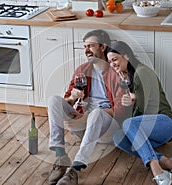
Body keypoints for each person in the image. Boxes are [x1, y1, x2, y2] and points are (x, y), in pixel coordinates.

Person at [106, 41, 172, 185]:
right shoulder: (126, 77)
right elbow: (134, 116)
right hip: (146, 130)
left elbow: (146, 109)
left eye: (114, 59)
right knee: (118, 137)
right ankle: (168, 163)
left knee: (127, 125)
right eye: (109, 61)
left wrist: (134, 98)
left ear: (126, 56)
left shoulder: (141, 72)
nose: (112, 64)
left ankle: (155, 168)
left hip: (164, 123)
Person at [47, 30, 127, 185]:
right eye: (85, 46)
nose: (86, 50)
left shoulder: (115, 70)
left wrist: (87, 117)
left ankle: (74, 170)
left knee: (96, 113)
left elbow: (120, 109)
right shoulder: (82, 70)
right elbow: (68, 100)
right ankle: (60, 156)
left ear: (103, 47)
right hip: (83, 126)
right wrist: (72, 97)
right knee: (53, 100)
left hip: (107, 127)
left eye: (91, 45)